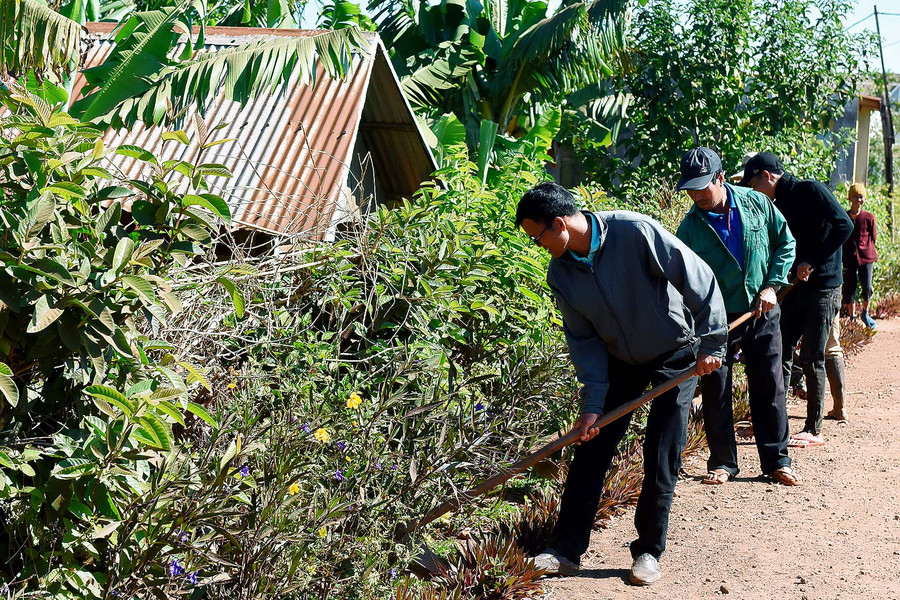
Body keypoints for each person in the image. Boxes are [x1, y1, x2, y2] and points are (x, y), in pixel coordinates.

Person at [515, 182, 727, 585]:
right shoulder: (561, 274)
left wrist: (712, 342)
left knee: (661, 451)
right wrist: (593, 404)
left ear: (559, 224)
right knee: (591, 448)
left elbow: (698, 277)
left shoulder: (634, 231)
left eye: (537, 237)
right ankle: (565, 550)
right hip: (621, 361)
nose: (537, 246)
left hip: (674, 353)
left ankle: (648, 551)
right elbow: (584, 342)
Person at [674, 147, 799, 486]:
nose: (696, 196)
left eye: (702, 187)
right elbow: (682, 281)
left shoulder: (757, 203)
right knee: (716, 387)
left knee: (770, 384)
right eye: (690, 189)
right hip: (716, 321)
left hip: (762, 309)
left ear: (720, 178)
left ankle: (777, 460)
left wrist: (772, 285)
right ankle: (723, 462)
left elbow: (785, 243)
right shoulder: (689, 230)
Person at [740, 152, 853, 448]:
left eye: (753, 183)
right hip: (795, 286)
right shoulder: (778, 204)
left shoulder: (811, 189)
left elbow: (844, 225)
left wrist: (812, 261)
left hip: (824, 287)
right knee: (781, 349)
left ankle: (814, 429)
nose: (753, 190)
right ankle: (774, 423)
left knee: (813, 356)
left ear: (766, 176)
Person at [842, 183, 878, 329]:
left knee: (867, 287)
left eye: (861, 196)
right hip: (849, 258)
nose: (858, 200)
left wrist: (866, 249)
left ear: (865, 198)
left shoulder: (868, 217)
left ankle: (865, 313)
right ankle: (852, 317)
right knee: (849, 288)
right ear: (850, 198)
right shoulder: (844, 216)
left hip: (866, 257)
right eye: (855, 196)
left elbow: (873, 237)